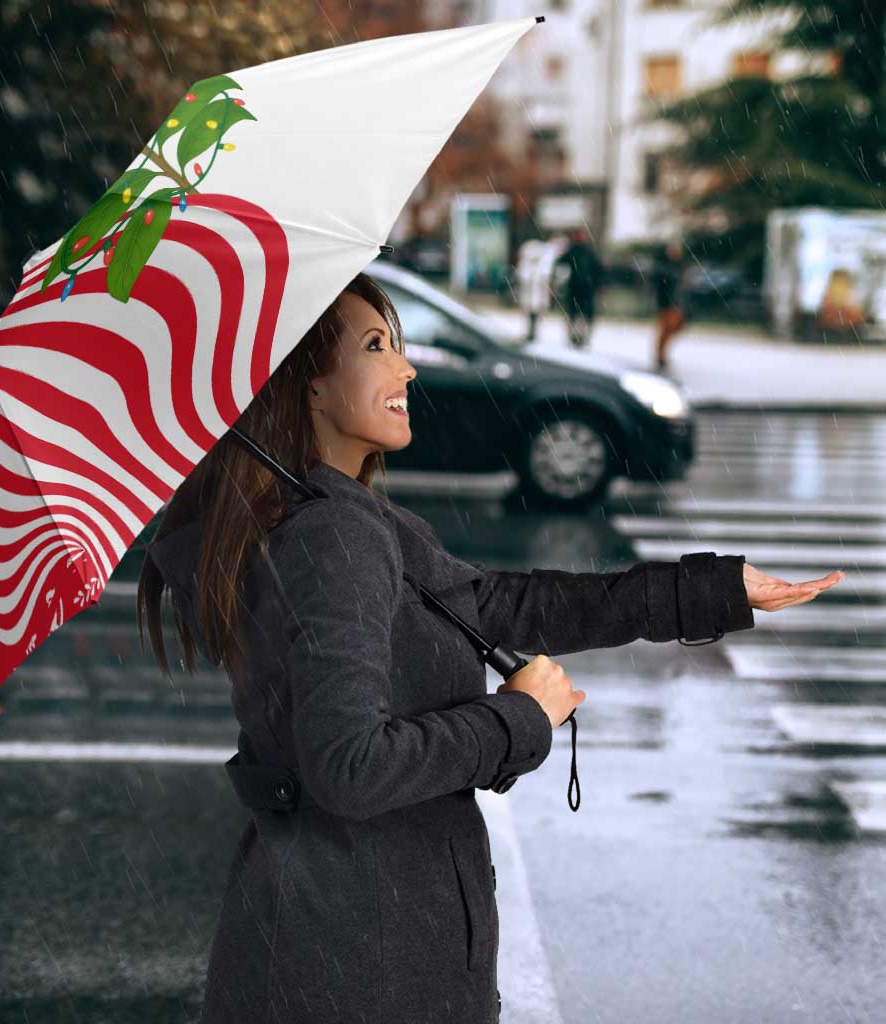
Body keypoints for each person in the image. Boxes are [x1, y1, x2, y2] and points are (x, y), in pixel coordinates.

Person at [137, 272, 842, 1024]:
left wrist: (712, 591)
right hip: (361, 962)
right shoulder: (332, 536)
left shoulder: (338, 518)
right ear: (308, 387)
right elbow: (349, 767)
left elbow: (503, 605)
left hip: (342, 940)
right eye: (376, 346)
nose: (406, 368)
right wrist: (517, 719)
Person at [554, 226, 604, 349]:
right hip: (577, 288)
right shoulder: (574, 251)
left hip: (585, 288)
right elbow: (560, 264)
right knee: (575, 314)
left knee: (582, 315)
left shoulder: (587, 252)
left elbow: (598, 270)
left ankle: (581, 337)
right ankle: (575, 337)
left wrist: (597, 284)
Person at [652, 239, 688, 370]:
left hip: (676, 303)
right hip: (667, 303)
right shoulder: (664, 267)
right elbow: (661, 286)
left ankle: (661, 354)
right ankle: (660, 355)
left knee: (674, 328)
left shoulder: (679, 266)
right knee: (666, 329)